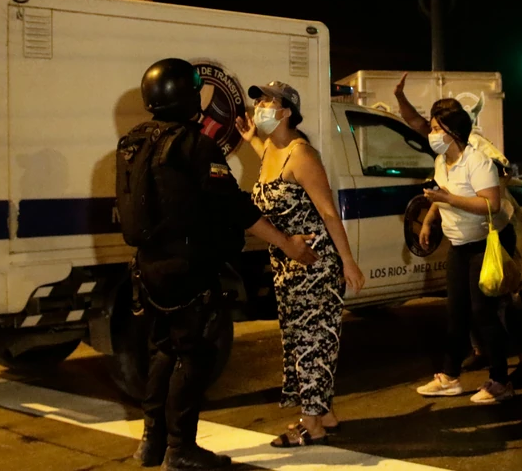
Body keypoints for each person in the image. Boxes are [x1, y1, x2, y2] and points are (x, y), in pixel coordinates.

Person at [124, 59, 319, 470]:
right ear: (187, 97)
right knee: (193, 355)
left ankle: (151, 441)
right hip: (186, 269)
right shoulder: (196, 146)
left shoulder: (134, 141)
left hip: (148, 266)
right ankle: (180, 448)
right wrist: (285, 242)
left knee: (162, 352)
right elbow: (235, 207)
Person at [235, 80, 365, 447]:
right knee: (299, 342)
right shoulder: (271, 150)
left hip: (315, 266)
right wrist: (251, 139)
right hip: (286, 267)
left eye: (267, 101)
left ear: (287, 111)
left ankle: (312, 425)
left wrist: (348, 262)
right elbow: (270, 167)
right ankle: (324, 412)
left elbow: (329, 213)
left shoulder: (302, 155)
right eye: (259, 100)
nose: (260, 106)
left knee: (312, 343)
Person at [415, 99, 522, 403]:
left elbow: (491, 204)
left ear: (453, 132)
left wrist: (449, 199)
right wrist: (429, 221)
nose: (431, 135)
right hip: (459, 245)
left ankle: (500, 381)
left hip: (487, 243)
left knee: (484, 313)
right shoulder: (442, 162)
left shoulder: (477, 162)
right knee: (455, 311)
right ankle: (449, 377)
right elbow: (441, 195)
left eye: (436, 129)